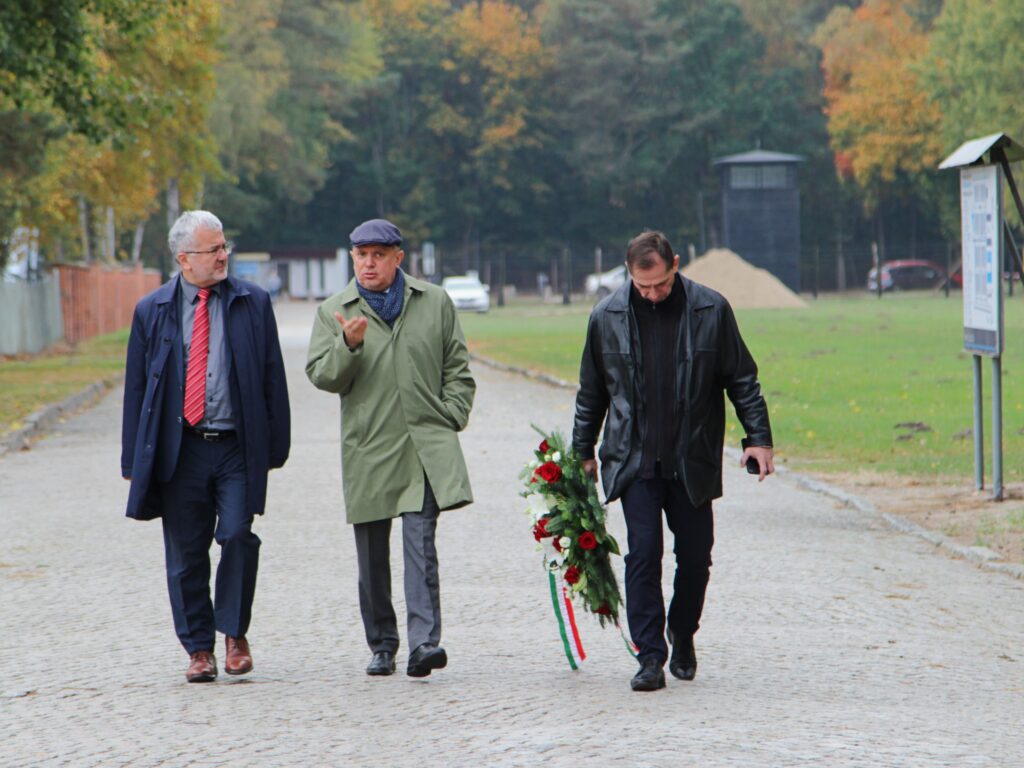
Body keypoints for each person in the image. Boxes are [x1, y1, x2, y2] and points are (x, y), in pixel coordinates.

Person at [572, 230, 773, 692]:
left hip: (692, 457)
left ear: (676, 264)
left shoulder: (711, 309)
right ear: (629, 275)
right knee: (643, 555)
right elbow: (592, 392)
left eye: (661, 284)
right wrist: (582, 452)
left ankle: (682, 632)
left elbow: (742, 378)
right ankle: (649, 656)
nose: (653, 294)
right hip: (634, 459)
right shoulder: (606, 316)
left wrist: (758, 438)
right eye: (643, 287)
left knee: (696, 558)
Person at [121, 210, 290, 683]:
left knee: (237, 534)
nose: (223, 256)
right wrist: (133, 459)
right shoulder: (151, 310)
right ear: (183, 259)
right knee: (186, 553)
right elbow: (137, 389)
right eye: (212, 250)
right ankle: (199, 649)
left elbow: (273, 377)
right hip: (181, 449)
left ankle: (234, 634)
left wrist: (274, 448)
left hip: (236, 446)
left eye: (223, 247)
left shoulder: (252, 302)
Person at [306, 218, 475, 678]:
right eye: (361, 255)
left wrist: (451, 415)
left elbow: (458, 368)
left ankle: (424, 644)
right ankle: (383, 643)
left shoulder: (434, 301)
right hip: (369, 447)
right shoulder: (334, 310)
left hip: (422, 446)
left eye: (378, 254)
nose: (368, 263)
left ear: (399, 258)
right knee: (371, 558)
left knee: (421, 546)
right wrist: (347, 344)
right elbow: (322, 375)